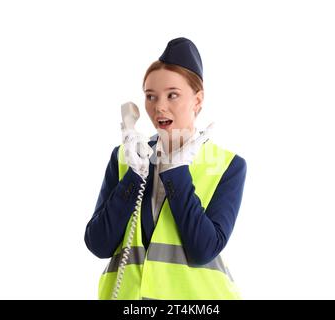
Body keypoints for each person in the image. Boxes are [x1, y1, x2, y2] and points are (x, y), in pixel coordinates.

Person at [84, 37, 247, 300]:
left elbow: (204, 248)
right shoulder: (125, 158)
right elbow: (99, 244)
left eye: (173, 95)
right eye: (150, 96)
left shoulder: (229, 166)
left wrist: (176, 171)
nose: (159, 106)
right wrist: (133, 178)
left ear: (197, 100)